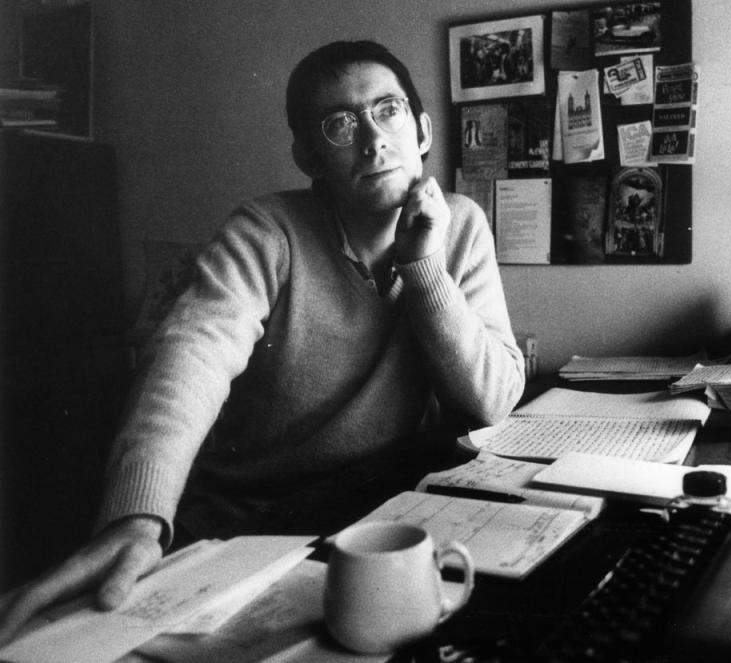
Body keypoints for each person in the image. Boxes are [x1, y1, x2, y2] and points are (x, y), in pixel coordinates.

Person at [0, 39, 525, 644]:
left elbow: (490, 401)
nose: (373, 139)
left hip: (379, 508)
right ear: (308, 156)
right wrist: (134, 518)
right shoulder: (267, 230)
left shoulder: (460, 225)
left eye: (388, 110)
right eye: (339, 124)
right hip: (245, 524)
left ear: (423, 129)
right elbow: (191, 354)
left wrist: (425, 269)